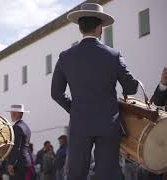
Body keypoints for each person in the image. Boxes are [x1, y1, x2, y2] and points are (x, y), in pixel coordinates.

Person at [51, 3, 139, 180]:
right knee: (108, 175)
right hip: (108, 124)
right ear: (100, 28)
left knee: (76, 174)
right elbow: (131, 88)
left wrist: (74, 107)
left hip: (79, 123)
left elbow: (56, 93)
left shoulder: (65, 56)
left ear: (80, 28)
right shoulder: (114, 55)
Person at [6, 104, 31, 180]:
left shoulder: (17, 127)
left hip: (18, 164)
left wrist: (11, 163)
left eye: (12, 112)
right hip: (25, 161)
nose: (11, 114)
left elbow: (16, 147)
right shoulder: (26, 126)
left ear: (14, 113)